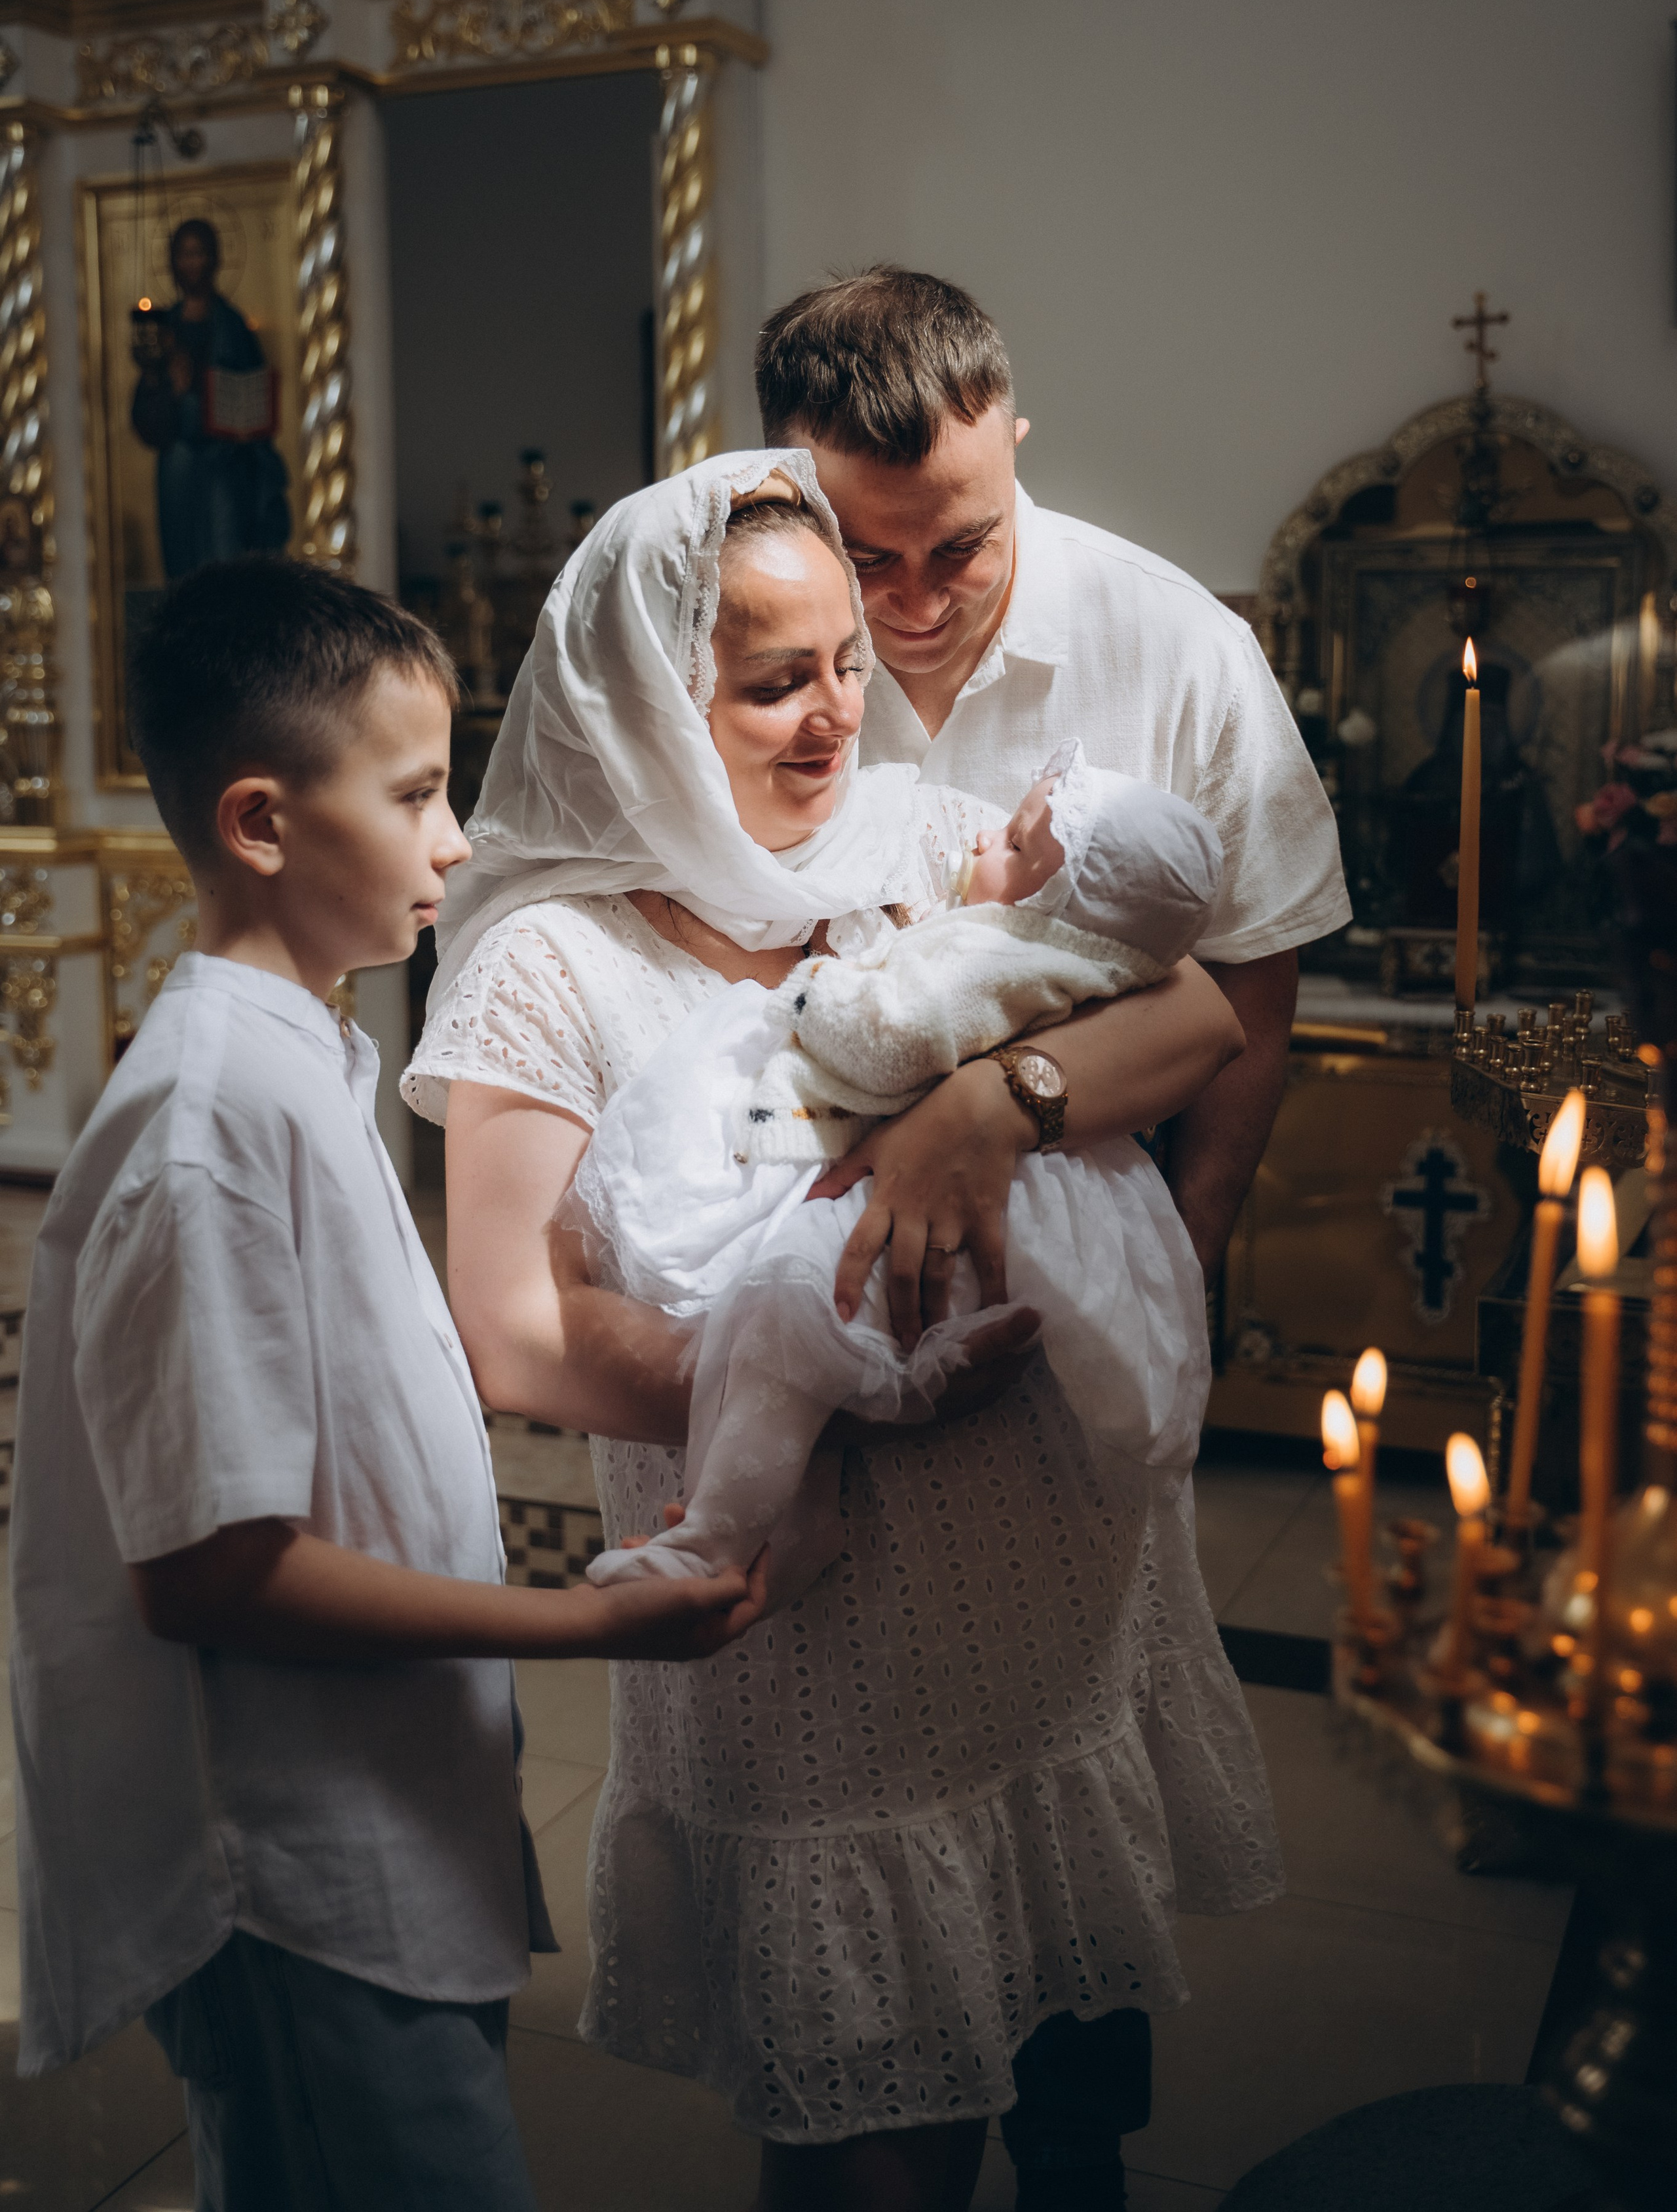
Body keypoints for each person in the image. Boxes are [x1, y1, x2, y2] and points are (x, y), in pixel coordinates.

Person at [409, 453, 1281, 2212]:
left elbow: (1189, 1013)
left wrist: (998, 1107)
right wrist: (818, 1388)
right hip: (817, 1636)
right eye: (767, 680)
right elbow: (508, 1328)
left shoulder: (925, 839)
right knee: (873, 2121)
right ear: (649, 696)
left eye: (842, 666)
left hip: (1040, 1575)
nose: (830, 716)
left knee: (1057, 2043)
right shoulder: (545, 961)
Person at [7, 558, 765, 2212]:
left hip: (375, 1824)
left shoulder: (302, 1059)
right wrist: (591, 1626)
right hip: (291, 1870)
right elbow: (214, 1567)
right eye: (418, 793)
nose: (458, 838)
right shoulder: (210, 1122)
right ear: (264, 822)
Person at [755, 269, 1351, 2204]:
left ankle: (1077, 2149)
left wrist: (1160, 1267)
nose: (912, 605)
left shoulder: (1171, 644)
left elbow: (1247, 1006)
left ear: (1016, 427)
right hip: (837, 1294)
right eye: (869, 557)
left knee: (1071, 1772)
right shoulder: (752, 624)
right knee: (858, 1818)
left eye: (957, 549)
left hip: (1085, 1286)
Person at [578, 704, 1223, 1593]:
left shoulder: (1003, 947)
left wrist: (809, 993)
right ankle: (796, 1518)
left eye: (1019, 843)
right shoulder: (1096, 956)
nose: (989, 833)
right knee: (807, 1353)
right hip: (1016, 1200)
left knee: (781, 1310)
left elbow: (894, 1039)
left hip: (949, 1191)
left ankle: (714, 1537)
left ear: (1052, 892)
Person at [131, 218, 290, 579]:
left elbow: (251, 395)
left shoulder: (233, 327)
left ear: (213, 259)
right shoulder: (163, 327)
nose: (191, 262)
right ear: (174, 262)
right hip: (179, 463)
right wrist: (164, 382)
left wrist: (206, 389)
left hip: (226, 463)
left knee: (225, 561)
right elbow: (147, 413)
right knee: (183, 564)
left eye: (199, 252)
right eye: (184, 254)